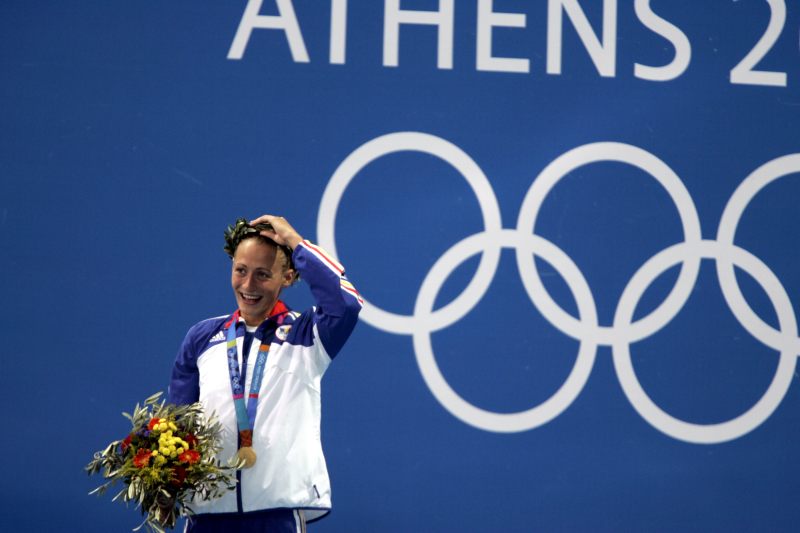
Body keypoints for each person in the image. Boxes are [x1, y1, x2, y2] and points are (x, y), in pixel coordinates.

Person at [168, 214, 362, 532]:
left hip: (276, 513)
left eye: (262, 274)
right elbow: (179, 422)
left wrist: (294, 242)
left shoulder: (308, 334)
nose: (248, 285)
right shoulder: (202, 337)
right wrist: (166, 485)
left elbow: (347, 304)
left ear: (288, 276)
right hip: (206, 513)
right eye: (241, 271)